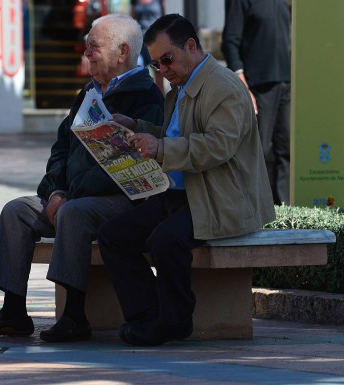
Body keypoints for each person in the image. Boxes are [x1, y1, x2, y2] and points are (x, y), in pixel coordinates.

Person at [0, 14, 164, 342]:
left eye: (93, 47)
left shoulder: (146, 97)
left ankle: (74, 316)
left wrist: (70, 196)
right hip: (71, 197)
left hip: (121, 202)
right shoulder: (87, 94)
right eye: (86, 47)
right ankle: (13, 310)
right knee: (16, 211)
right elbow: (60, 151)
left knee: (73, 213)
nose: (86, 54)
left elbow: (127, 165)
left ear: (123, 51)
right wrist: (56, 190)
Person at [97, 14, 276, 347]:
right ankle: (147, 317)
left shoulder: (223, 86)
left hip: (219, 198)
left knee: (166, 240)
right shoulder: (178, 88)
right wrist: (136, 127)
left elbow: (218, 145)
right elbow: (175, 137)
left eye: (167, 59)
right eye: (156, 65)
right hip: (181, 195)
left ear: (191, 46)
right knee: (113, 236)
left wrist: (161, 147)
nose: (163, 70)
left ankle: (174, 321)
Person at [221, 0, 291, 205]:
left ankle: (284, 210)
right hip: (257, 85)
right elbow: (230, 41)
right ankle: (256, 210)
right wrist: (242, 84)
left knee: (285, 151)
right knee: (259, 152)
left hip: (285, 83)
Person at [131, 0, 165, 93]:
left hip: (155, 40)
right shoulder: (134, 1)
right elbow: (133, 19)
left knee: (158, 74)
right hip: (140, 40)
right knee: (138, 72)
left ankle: (162, 104)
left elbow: (163, 18)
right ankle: (142, 102)